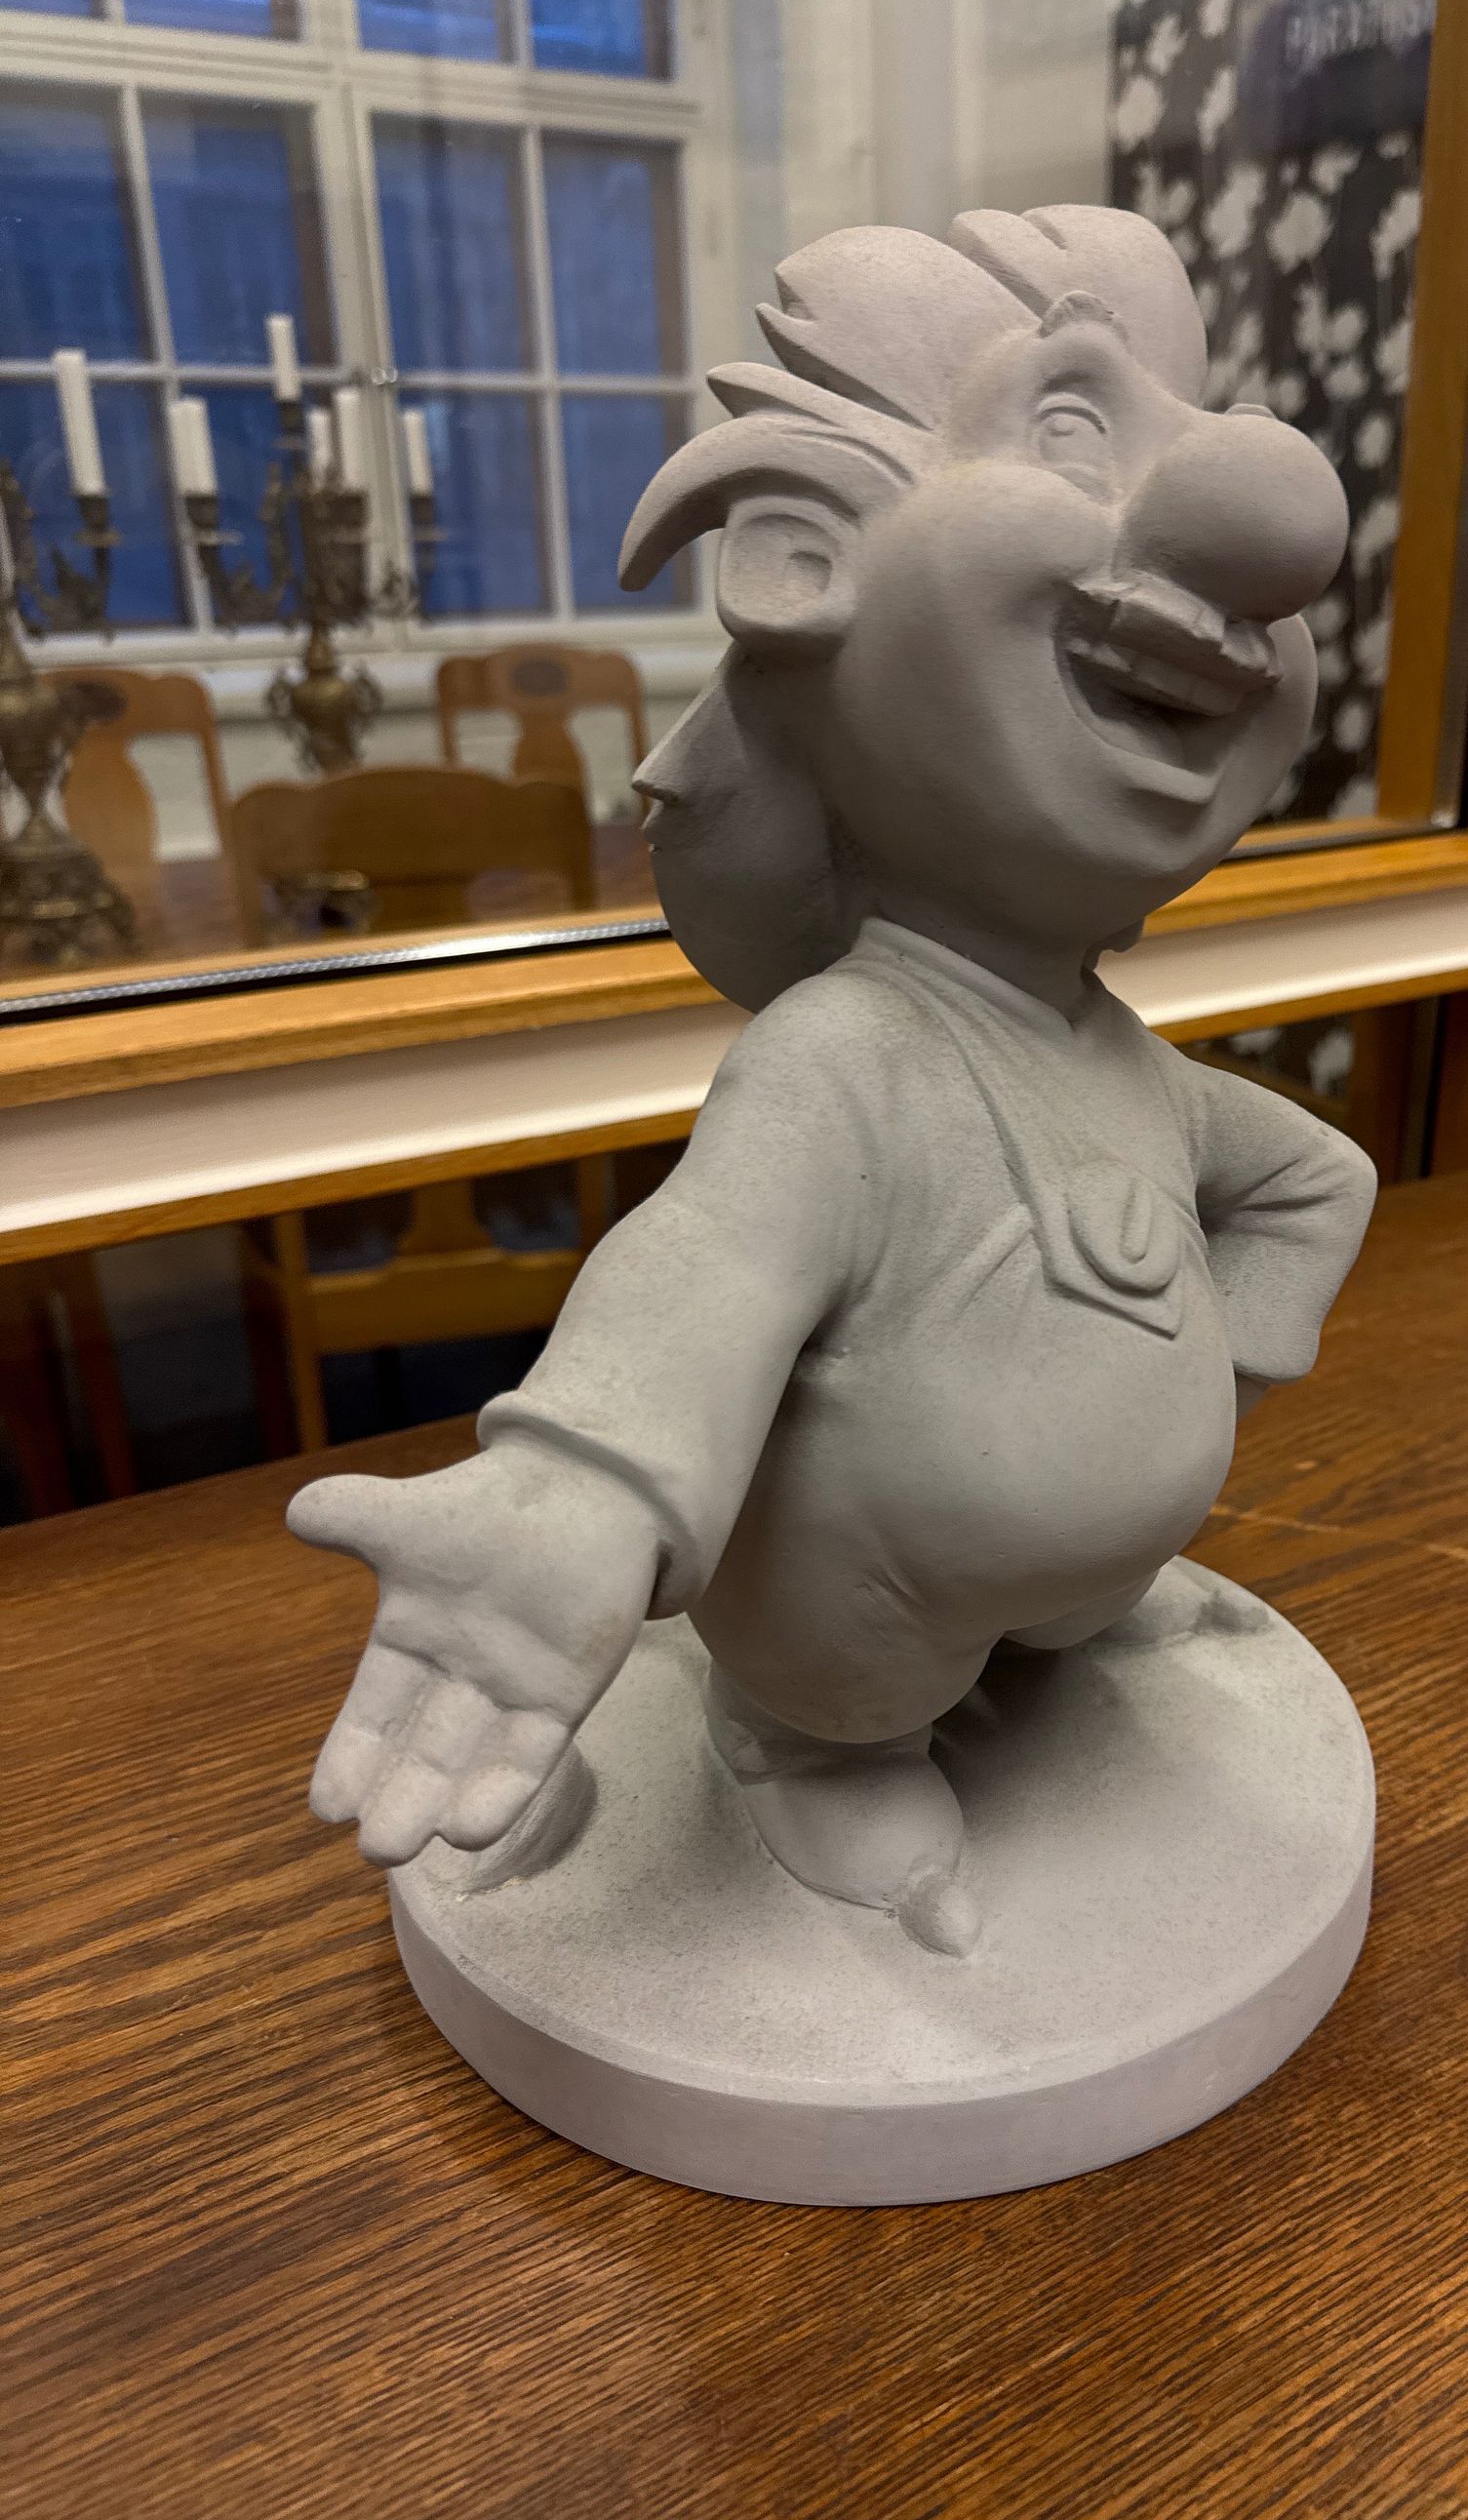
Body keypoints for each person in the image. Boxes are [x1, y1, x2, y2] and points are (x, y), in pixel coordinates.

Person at [295, 204, 1376, 1955]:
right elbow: (705, 1271)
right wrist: (586, 1486)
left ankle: (1071, 1600)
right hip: (860, 1601)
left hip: (1071, 1578)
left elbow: (1315, 1180)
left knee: (1082, 1559)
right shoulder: (846, 1050)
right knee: (845, 1683)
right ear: (804, 564)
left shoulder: (1122, 1056)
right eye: (1076, 427)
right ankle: (803, 1748)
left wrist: (1192, 1384)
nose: (1270, 512)